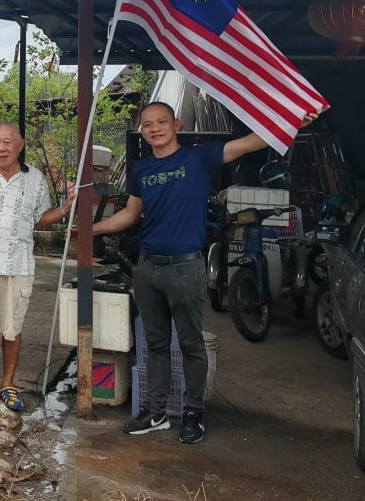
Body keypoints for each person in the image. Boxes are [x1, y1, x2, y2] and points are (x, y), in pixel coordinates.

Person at [92, 101, 316, 444]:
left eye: (161, 122)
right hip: (148, 267)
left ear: (176, 124)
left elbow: (252, 142)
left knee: (191, 343)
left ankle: (194, 413)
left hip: (185, 266)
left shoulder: (199, 157)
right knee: (154, 344)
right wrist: (88, 229)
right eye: (147, 124)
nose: (154, 128)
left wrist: (291, 119)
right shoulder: (142, 171)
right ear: (142, 130)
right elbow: (129, 216)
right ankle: (156, 412)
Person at [0, 122, 71, 411]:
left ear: (19, 145)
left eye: (7, 142)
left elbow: (39, 218)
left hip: (18, 263)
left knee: (12, 328)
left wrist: (64, 210)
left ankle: (8, 384)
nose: (1, 148)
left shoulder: (35, 178)